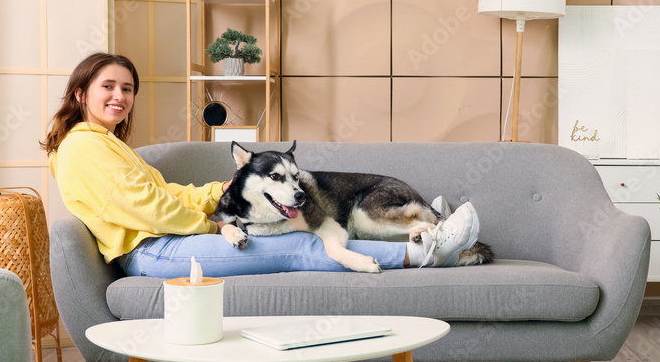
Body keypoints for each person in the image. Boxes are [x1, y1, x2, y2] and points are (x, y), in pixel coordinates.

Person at [43, 52, 480, 279]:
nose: (119, 96)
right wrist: (213, 225)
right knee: (302, 245)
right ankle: (421, 253)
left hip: (160, 244)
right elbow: (147, 209)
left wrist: (225, 190)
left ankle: (425, 228)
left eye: (127, 88)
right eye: (108, 86)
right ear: (81, 93)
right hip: (151, 252)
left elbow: (166, 195)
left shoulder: (107, 144)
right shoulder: (82, 147)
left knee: (296, 231)